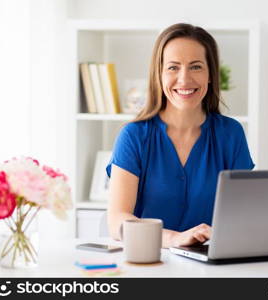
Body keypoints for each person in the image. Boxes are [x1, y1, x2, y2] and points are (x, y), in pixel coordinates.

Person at [106, 23, 254, 248]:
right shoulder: (134, 136)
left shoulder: (231, 134)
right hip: (151, 263)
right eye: (173, 67)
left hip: (212, 266)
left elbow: (242, 216)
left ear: (210, 74)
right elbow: (117, 220)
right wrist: (173, 238)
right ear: (159, 74)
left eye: (196, 67)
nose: (184, 80)